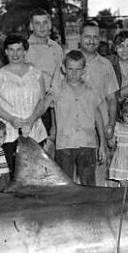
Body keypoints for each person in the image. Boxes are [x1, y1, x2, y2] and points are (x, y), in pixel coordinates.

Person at [76, 20, 119, 186]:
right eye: (87, 36)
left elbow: (112, 98)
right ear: (80, 38)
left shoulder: (106, 65)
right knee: (76, 178)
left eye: (95, 37)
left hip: (99, 130)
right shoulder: (70, 61)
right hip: (75, 128)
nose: (91, 40)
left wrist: (111, 126)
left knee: (99, 177)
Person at [53, 50, 106, 186]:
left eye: (78, 69)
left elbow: (98, 117)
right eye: (70, 69)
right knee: (65, 185)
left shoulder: (91, 90)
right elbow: (43, 106)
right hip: (65, 144)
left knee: (88, 184)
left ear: (84, 70)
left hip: (87, 143)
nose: (74, 73)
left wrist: (102, 146)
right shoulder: (57, 90)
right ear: (63, 69)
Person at [0, 33, 48, 146]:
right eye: (11, 49)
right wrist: (11, 119)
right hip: (6, 135)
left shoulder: (36, 73)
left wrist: (32, 119)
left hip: (35, 133)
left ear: (25, 51)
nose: (15, 54)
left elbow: (42, 101)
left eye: (19, 49)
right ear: (6, 51)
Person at [25, 8, 64, 133]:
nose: (42, 27)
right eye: (37, 23)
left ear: (50, 25)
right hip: (32, 107)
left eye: (45, 22)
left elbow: (60, 79)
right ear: (31, 26)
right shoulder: (24, 49)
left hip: (56, 107)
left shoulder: (57, 48)